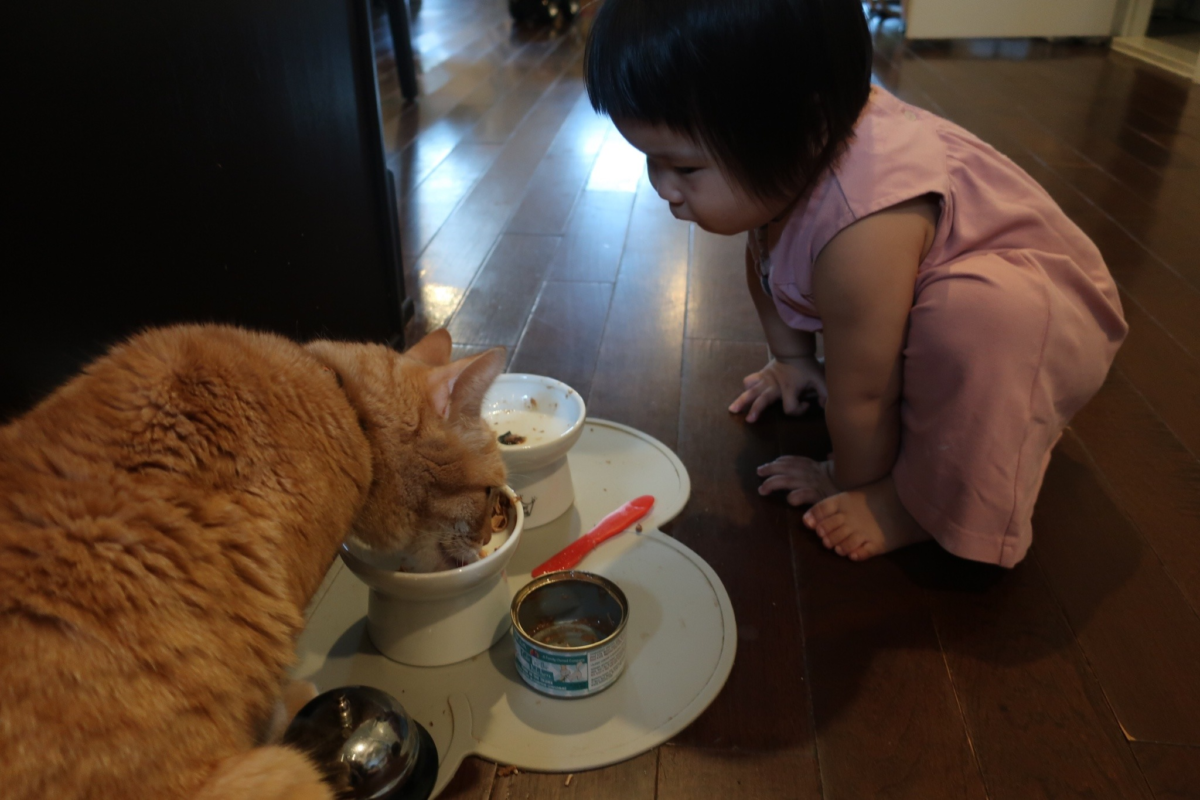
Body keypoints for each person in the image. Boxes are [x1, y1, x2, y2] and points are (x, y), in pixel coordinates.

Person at [584, 0, 1127, 567]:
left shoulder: (862, 228)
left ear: (809, 128)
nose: (663, 188)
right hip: (959, 293)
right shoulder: (790, 151)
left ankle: (918, 506)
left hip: (1041, 326)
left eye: (685, 168)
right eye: (650, 160)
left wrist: (849, 479)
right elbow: (765, 255)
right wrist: (792, 359)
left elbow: (866, 393)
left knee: (977, 323)